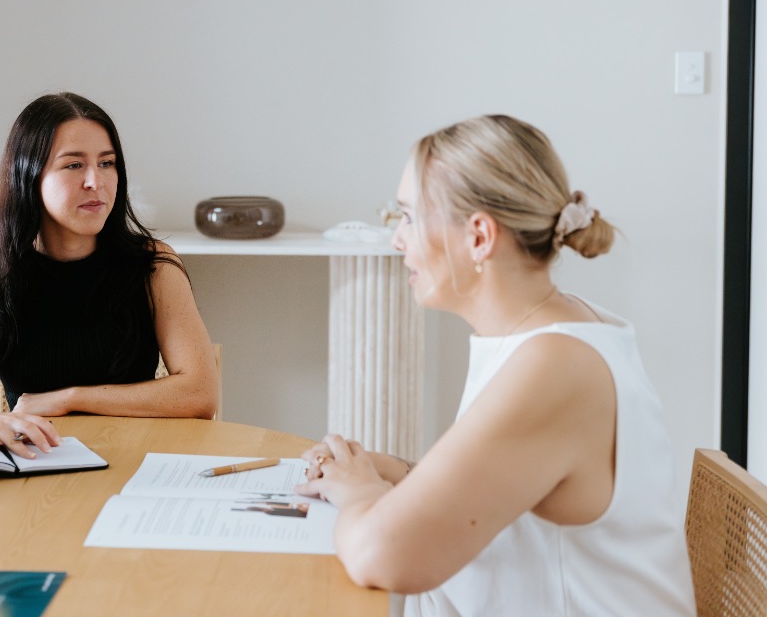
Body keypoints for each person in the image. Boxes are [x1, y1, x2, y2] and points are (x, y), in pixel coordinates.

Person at [295, 115, 696, 616]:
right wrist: (389, 473)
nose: (398, 240)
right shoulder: (550, 331)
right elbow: (509, 487)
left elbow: (384, 556)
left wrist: (360, 493)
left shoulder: (555, 364)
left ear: (479, 237)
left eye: (410, 217)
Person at [0, 92, 218, 460]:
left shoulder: (154, 266)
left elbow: (200, 394)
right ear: (29, 175)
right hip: (35, 465)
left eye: (107, 163)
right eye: (73, 165)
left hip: (136, 461)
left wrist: (70, 398)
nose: (95, 181)